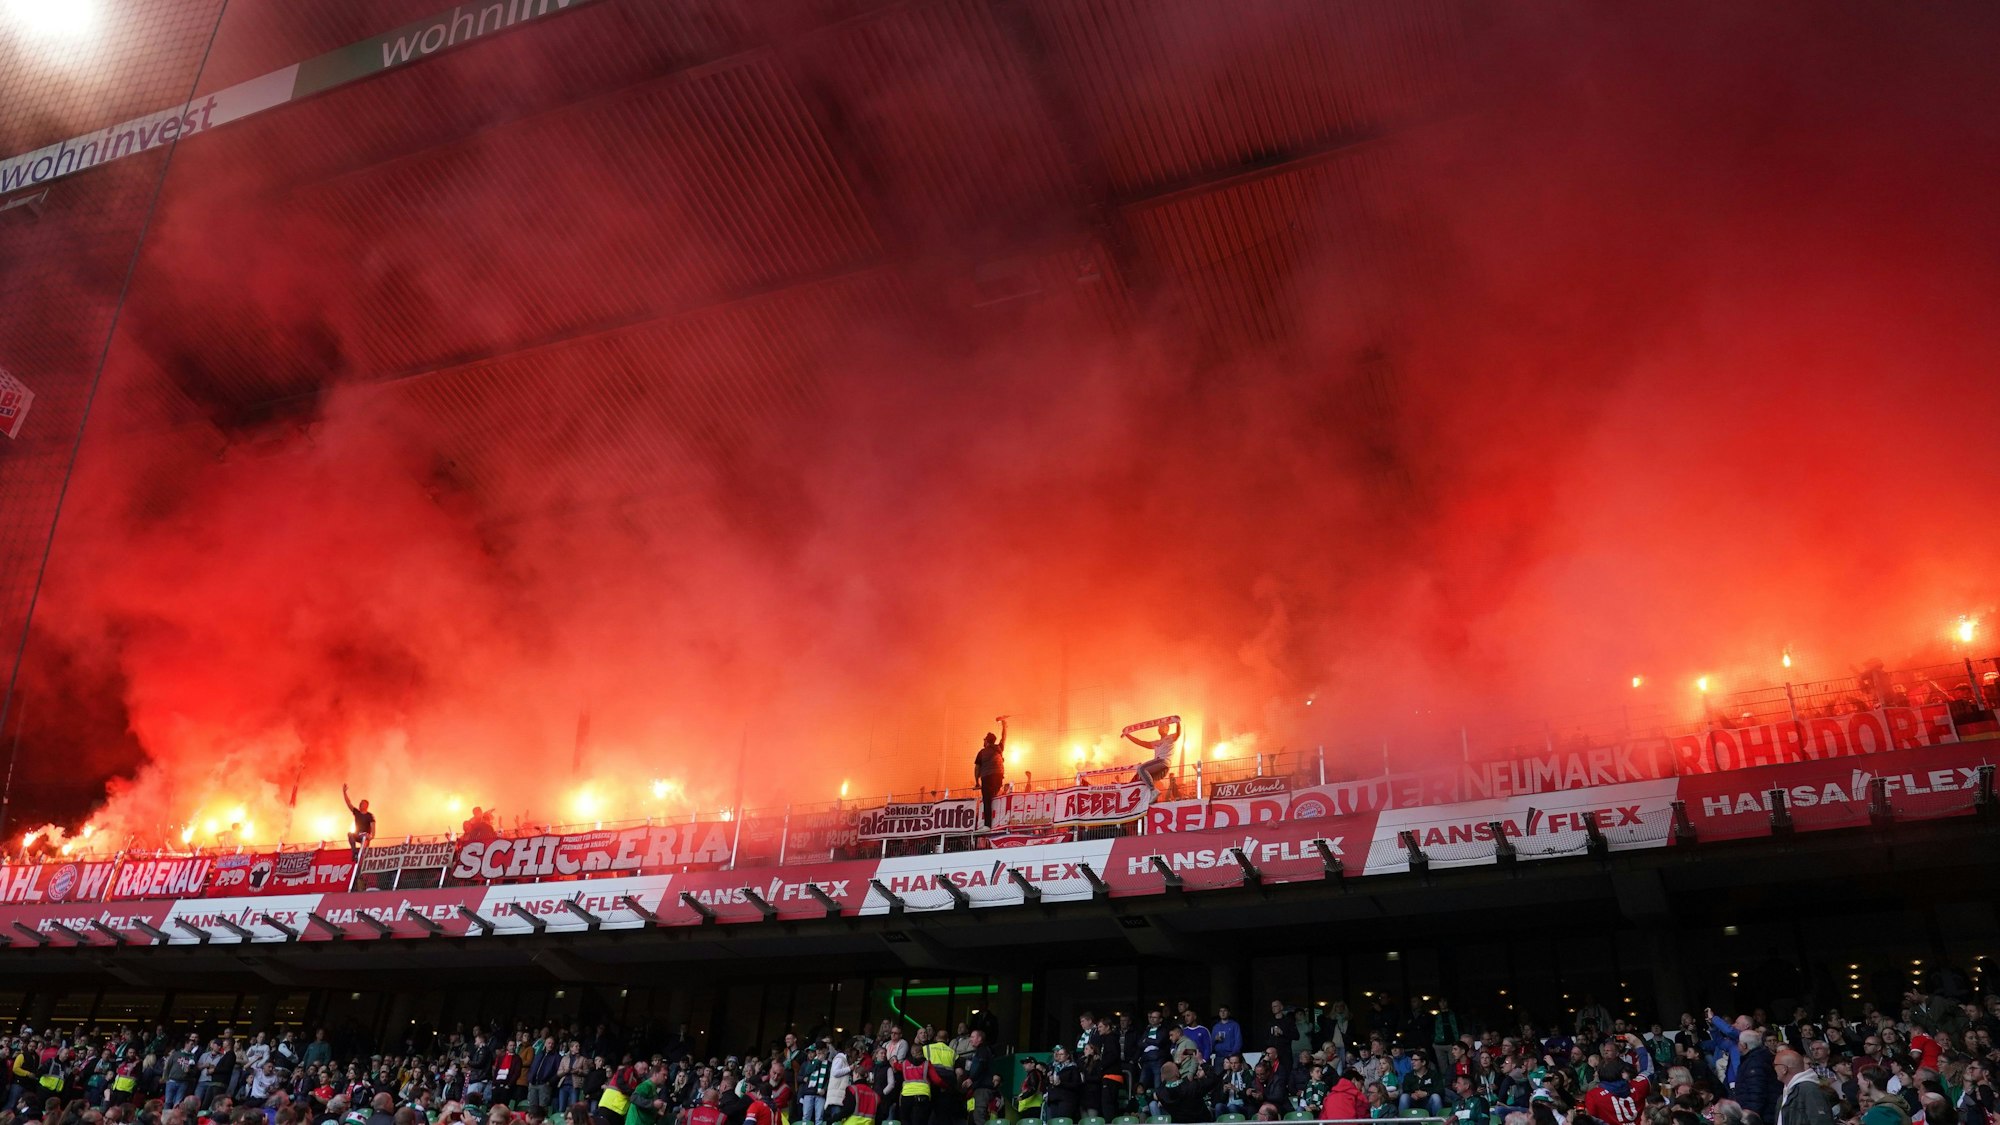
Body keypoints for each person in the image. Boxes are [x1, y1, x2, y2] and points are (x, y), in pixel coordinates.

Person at [1772, 1050, 1831, 1125]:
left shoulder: (1809, 1090)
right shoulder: (1786, 1093)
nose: (1774, 1068)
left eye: (1775, 1065)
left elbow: (1821, 1121)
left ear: (1784, 1069)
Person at [1122, 716, 1182, 788]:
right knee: (1140, 776)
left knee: (1141, 768)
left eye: (1162, 727)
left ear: (1167, 729)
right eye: (1159, 727)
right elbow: (1140, 742)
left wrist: (1177, 723)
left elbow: (1178, 733)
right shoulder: (1156, 742)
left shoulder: (1170, 737)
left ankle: (1152, 790)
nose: (1160, 729)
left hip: (1163, 762)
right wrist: (1127, 735)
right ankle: (1130, 787)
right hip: (1157, 767)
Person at [973, 720, 1006, 829]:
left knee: (987, 801)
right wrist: (1004, 725)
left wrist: (977, 782)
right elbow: (1004, 738)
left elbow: (977, 768)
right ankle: (1000, 822)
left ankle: (988, 825)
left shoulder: (982, 752)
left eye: (984, 740)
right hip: (999, 777)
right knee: (996, 798)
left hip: (987, 778)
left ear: (987, 741)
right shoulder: (999, 748)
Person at [342, 786, 375, 858]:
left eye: (362, 803)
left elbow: (373, 827)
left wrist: (371, 837)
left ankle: (362, 855)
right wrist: (344, 792)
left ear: (366, 805)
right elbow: (348, 803)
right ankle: (355, 853)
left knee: (364, 842)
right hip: (358, 835)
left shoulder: (370, 816)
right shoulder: (357, 812)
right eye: (360, 803)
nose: (360, 804)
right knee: (350, 834)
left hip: (365, 837)